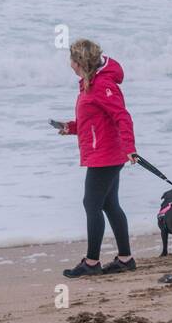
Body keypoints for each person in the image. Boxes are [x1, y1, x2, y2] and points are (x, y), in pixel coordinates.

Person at [57, 39, 138, 277]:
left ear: (80, 62)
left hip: (106, 155)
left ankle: (91, 263)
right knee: (109, 204)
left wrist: (130, 147)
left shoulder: (102, 85)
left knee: (91, 204)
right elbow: (93, 120)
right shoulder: (88, 84)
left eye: (72, 59)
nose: (70, 64)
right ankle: (125, 258)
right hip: (103, 152)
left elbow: (122, 117)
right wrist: (71, 127)